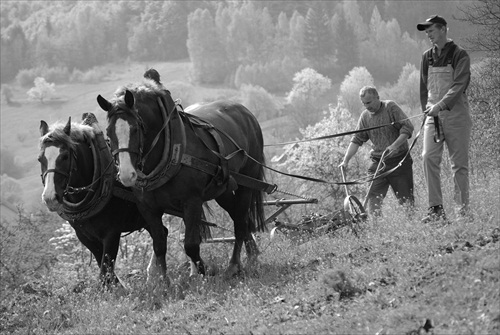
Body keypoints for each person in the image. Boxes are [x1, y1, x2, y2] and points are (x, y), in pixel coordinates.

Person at [417, 15, 472, 223]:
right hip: (433, 116)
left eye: (431, 30)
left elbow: (459, 86)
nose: (428, 35)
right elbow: (424, 88)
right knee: (427, 156)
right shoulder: (426, 57)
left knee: (459, 165)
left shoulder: (460, 55)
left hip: (457, 116)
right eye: (427, 32)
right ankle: (436, 210)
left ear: (443, 29)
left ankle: (462, 214)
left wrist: (440, 106)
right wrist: (426, 111)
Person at [339, 86, 415, 216]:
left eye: (369, 102)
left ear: (377, 97)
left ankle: (412, 227)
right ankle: (374, 228)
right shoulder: (365, 116)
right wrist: (345, 160)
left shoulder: (390, 107)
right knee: (372, 201)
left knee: (406, 201)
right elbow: (357, 139)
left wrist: (394, 146)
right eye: (363, 103)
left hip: (399, 162)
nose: (366, 106)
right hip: (377, 163)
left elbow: (407, 127)